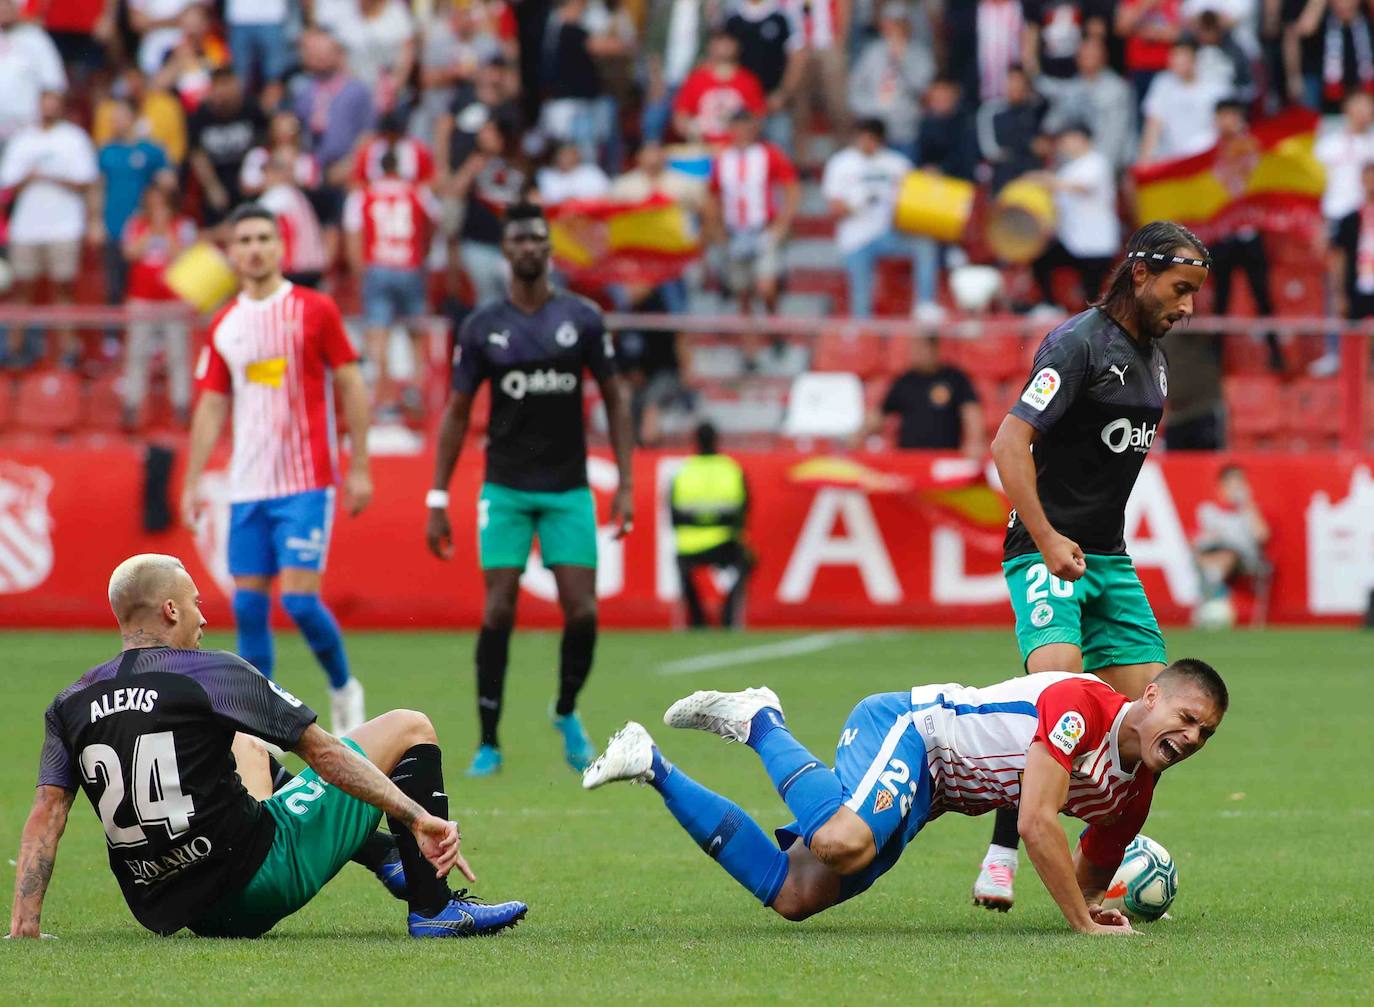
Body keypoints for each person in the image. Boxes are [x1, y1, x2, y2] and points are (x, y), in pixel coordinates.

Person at [8, 553, 527, 939]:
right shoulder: (213, 673)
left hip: (174, 906)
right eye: (195, 604)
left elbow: (47, 813)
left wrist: (24, 925)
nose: (203, 618)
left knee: (245, 742)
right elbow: (325, 756)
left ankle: (389, 858)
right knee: (408, 726)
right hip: (254, 882)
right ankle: (434, 908)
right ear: (170, 609)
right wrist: (416, 816)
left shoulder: (70, 702)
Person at [584, 660, 1227, 933]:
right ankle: (761, 721)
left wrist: (1099, 906)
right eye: (1187, 716)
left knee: (795, 894)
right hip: (914, 728)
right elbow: (1034, 821)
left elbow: (1087, 879)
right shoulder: (1083, 705)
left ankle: (652, 765)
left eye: (1206, 732)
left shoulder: (1135, 796)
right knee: (842, 841)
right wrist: (1082, 926)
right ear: (1151, 696)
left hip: (934, 791)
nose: (1193, 736)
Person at [976, 221, 1211, 911]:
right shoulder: (1076, 344)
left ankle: (1086, 885)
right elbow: (1008, 442)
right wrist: (1047, 536)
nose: (1188, 307)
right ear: (1139, 273)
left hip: (1108, 557)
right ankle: (1001, 850)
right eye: (1180, 289)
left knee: (1158, 726)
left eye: (1195, 292)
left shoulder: (1155, 360)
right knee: (1055, 700)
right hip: (1047, 551)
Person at [425, 203, 635, 777]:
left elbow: (616, 398)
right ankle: (488, 741)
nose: (527, 247)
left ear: (548, 248)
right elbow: (457, 412)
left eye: (537, 239)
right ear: (505, 251)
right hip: (507, 488)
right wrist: (437, 498)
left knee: (583, 612)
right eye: (517, 239)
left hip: (568, 486)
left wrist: (626, 481)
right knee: (497, 611)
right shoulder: (481, 325)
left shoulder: (583, 318)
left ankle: (565, 710)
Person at [181, 204, 373, 736]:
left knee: (299, 601)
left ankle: (343, 687)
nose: (255, 248)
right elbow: (212, 404)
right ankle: (257, 725)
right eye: (244, 239)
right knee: (247, 607)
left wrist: (360, 465)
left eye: (264, 237)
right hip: (247, 487)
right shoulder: (224, 324)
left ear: (281, 246)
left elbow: (352, 383)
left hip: (305, 482)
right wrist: (194, 479)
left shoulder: (314, 310)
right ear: (234, 251)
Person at [0, 89, 97, 369]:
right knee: (22, 288)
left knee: (63, 287)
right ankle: (14, 349)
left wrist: (46, 175)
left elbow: (85, 180)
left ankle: (68, 349)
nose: (49, 109)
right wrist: (29, 177)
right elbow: (7, 184)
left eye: (54, 103)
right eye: (45, 104)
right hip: (27, 227)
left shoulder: (73, 139)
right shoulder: (22, 141)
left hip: (64, 226)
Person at [344, 147, 440, 416]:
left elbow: (354, 236)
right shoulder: (418, 192)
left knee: (378, 333)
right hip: (409, 265)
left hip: (377, 265)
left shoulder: (362, 195)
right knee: (415, 332)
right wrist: (423, 252)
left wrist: (359, 273)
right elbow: (434, 224)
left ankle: (385, 398)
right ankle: (415, 388)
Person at [822, 118, 937, 320]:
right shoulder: (841, 163)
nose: (866, 144)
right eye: (862, 139)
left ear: (881, 140)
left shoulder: (897, 163)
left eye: (872, 140)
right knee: (861, 300)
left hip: (888, 232)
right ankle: (863, 330)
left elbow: (916, 198)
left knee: (924, 244)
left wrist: (928, 180)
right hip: (855, 238)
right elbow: (833, 208)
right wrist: (855, 205)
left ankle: (925, 305)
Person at [705, 108, 800, 317]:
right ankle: (750, 345)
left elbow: (791, 188)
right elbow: (713, 195)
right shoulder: (723, 158)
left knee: (766, 285)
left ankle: (774, 324)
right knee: (742, 291)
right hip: (735, 231)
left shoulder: (768, 154)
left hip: (763, 228)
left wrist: (783, 224)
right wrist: (716, 229)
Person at [121, 186, 197, 428]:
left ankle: (181, 405)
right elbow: (130, 253)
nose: (157, 208)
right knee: (137, 354)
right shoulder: (136, 224)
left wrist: (166, 233)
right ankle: (132, 405)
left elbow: (184, 258)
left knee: (178, 355)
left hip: (174, 300)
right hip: (142, 299)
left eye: (161, 203)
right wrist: (151, 231)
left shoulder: (183, 226)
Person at [1027, 122, 1120, 310]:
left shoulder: (1097, 163)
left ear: (1081, 139)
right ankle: (1049, 305)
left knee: (1091, 294)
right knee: (1040, 259)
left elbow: (1081, 187)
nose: (1063, 144)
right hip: (1071, 240)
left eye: (1067, 139)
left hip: (1096, 243)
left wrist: (1045, 179)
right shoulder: (1068, 168)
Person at [95, 96, 175, 312]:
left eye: (119, 117)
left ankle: (148, 338)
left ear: (133, 117)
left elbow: (169, 181)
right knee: (114, 283)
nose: (115, 122)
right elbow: (98, 188)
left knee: (146, 280)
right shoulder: (107, 151)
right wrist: (95, 221)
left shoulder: (151, 150)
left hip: (145, 227)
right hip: (115, 225)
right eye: (112, 118)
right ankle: (112, 338)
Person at [670, 422, 752, 629]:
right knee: (747, 561)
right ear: (717, 440)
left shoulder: (684, 471)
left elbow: (672, 514)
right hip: (724, 544)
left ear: (695, 441)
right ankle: (728, 614)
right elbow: (744, 510)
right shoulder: (731, 469)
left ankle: (697, 618)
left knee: (684, 570)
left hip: (688, 547)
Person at [859, 334, 984, 455]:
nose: (914, 352)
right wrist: (859, 434)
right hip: (909, 456)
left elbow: (971, 412)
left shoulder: (955, 378)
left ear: (933, 348)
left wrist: (974, 442)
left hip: (944, 455)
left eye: (919, 347)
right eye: (913, 348)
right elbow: (880, 414)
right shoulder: (905, 380)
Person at [847, 2, 935, 158]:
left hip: (906, 129)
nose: (893, 28)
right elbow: (855, 89)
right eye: (889, 23)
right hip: (875, 129)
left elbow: (924, 91)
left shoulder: (919, 54)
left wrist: (901, 61)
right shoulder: (871, 52)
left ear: (907, 25)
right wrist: (871, 110)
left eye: (898, 23)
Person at [1038, 36, 1137, 170]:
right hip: (1073, 162)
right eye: (1084, 55)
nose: (1088, 59)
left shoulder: (1117, 89)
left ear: (1104, 58)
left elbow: (1115, 138)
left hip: (1106, 163)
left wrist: (1098, 169)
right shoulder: (1072, 87)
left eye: (1093, 55)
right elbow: (1053, 123)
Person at [187, 66, 265, 231]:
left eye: (228, 85)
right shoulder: (201, 116)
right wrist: (211, 186)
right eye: (220, 86)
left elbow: (264, 146)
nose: (225, 92)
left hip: (248, 184)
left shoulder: (251, 109)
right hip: (218, 185)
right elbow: (197, 154)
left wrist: (255, 176)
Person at [1192, 464, 1270, 626]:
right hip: (1216, 555)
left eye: (1239, 484)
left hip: (1246, 561)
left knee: (1226, 557)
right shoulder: (1209, 510)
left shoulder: (1249, 510)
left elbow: (1262, 536)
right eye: (1231, 484)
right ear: (1222, 487)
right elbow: (1202, 540)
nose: (1235, 489)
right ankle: (1215, 605)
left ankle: (1211, 602)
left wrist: (1247, 506)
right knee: (1205, 558)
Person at [1138, 37, 1227, 164]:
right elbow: (1153, 126)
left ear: (1195, 58)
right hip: (1173, 161)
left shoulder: (1215, 87)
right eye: (1174, 56)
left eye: (1182, 56)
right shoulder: (1163, 83)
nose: (1176, 61)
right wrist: (1144, 161)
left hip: (1207, 160)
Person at [672, 30, 767, 147]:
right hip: (703, 150)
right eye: (720, 40)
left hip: (737, 151)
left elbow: (758, 118)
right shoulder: (695, 79)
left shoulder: (749, 81)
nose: (724, 45)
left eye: (729, 41)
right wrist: (692, 131)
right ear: (710, 46)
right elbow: (680, 117)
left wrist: (742, 135)